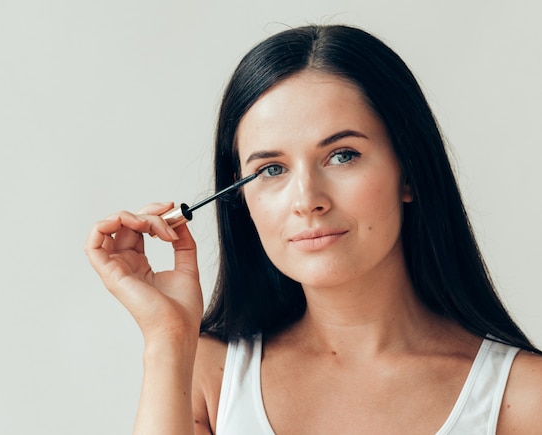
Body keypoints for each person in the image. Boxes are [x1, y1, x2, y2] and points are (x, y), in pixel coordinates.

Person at [85, 24, 542, 434]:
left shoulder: (521, 397)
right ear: (240, 198)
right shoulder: (209, 378)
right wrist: (168, 339)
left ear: (409, 173)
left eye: (342, 155)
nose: (307, 200)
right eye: (270, 170)